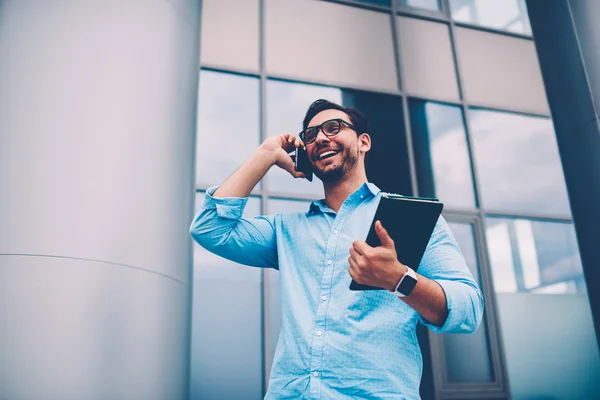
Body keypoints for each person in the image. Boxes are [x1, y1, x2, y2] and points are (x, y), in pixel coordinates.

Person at [190, 99, 484, 399]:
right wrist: (265, 155)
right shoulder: (287, 230)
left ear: (363, 142)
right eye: (310, 135)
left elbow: (469, 309)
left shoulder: (410, 219)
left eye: (334, 128)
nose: (320, 138)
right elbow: (209, 228)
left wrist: (399, 279)